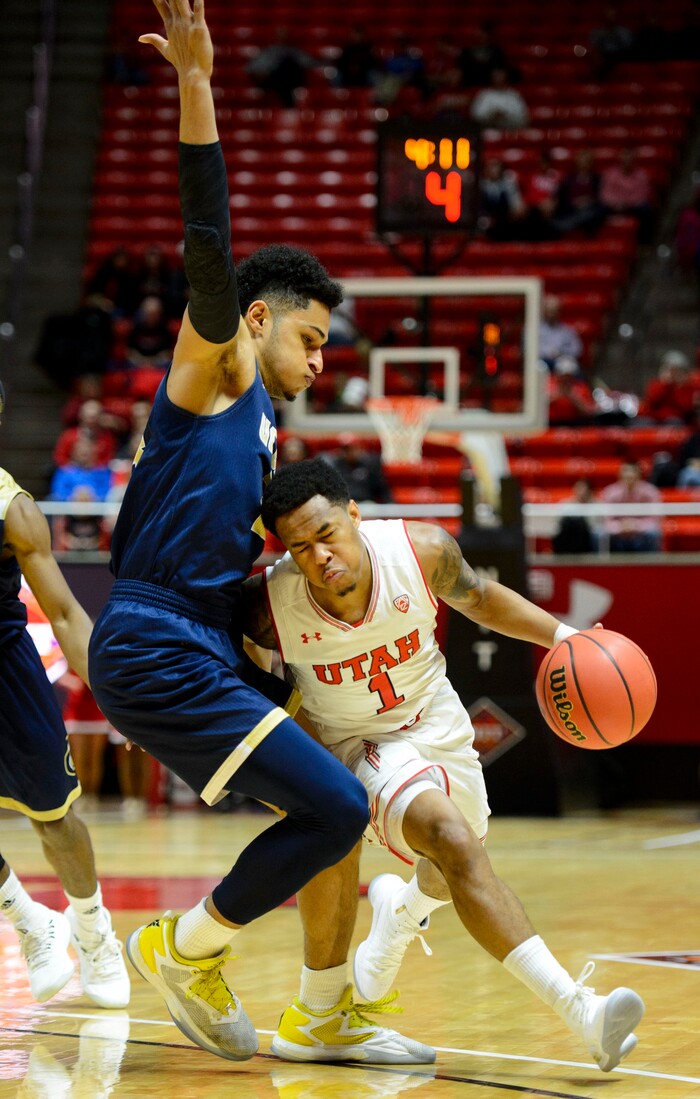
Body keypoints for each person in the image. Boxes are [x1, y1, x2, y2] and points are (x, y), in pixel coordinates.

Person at [88, 0, 430, 1067]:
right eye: (311, 337)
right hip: (152, 637)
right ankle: (184, 949)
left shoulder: (268, 435)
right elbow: (207, 242)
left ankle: (325, 1010)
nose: (320, 358)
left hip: (199, 637)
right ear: (257, 320)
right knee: (332, 804)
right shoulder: (217, 368)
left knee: (338, 792)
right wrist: (197, 86)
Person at [239, 457, 645, 1073]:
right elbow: (226, 666)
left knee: (460, 855)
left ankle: (398, 919)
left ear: (354, 515)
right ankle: (581, 1012)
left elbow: (481, 599)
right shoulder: (270, 605)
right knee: (453, 842)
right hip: (356, 745)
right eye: (300, 547)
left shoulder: (420, 550)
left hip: (436, 720)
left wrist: (564, 637)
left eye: (327, 535)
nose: (320, 556)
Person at [0, 384, 129, 1008]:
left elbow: (66, 613)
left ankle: (93, 930)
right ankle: (30, 921)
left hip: (8, 676)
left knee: (53, 818)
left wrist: (114, 694)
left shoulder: (13, 507)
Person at [599, 461, 662, 552]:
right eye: (626, 471)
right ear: (620, 475)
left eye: (632, 472)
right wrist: (620, 527)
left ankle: (651, 565)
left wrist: (635, 525)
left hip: (642, 534)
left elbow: (655, 520)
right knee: (601, 534)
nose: (629, 475)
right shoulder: (610, 493)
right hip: (618, 534)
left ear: (639, 475)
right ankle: (606, 565)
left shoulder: (651, 492)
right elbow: (606, 521)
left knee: (653, 533)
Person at [599, 149, 654, 244]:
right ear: (620, 160)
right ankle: (596, 241)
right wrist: (616, 204)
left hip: (632, 207)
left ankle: (644, 243)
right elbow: (605, 194)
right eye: (625, 159)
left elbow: (642, 194)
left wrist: (627, 204)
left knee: (646, 209)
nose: (627, 161)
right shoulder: (611, 173)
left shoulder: (641, 175)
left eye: (629, 159)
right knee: (597, 209)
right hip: (613, 206)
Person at [322, 433, 394, 504]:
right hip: (344, 504)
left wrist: (389, 505)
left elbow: (381, 488)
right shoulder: (335, 467)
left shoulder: (369, 465)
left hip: (365, 503)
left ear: (358, 448)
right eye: (346, 449)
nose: (349, 452)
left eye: (351, 448)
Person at [538, 294, 583, 370]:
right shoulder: (537, 330)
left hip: (561, 360)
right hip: (542, 360)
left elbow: (577, 349)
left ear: (559, 312)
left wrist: (561, 352)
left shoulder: (567, 330)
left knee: (569, 367)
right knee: (539, 367)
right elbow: (531, 349)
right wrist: (548, 352)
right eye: (549, 311)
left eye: (554, 311)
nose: (551, 314)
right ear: (544, 312)